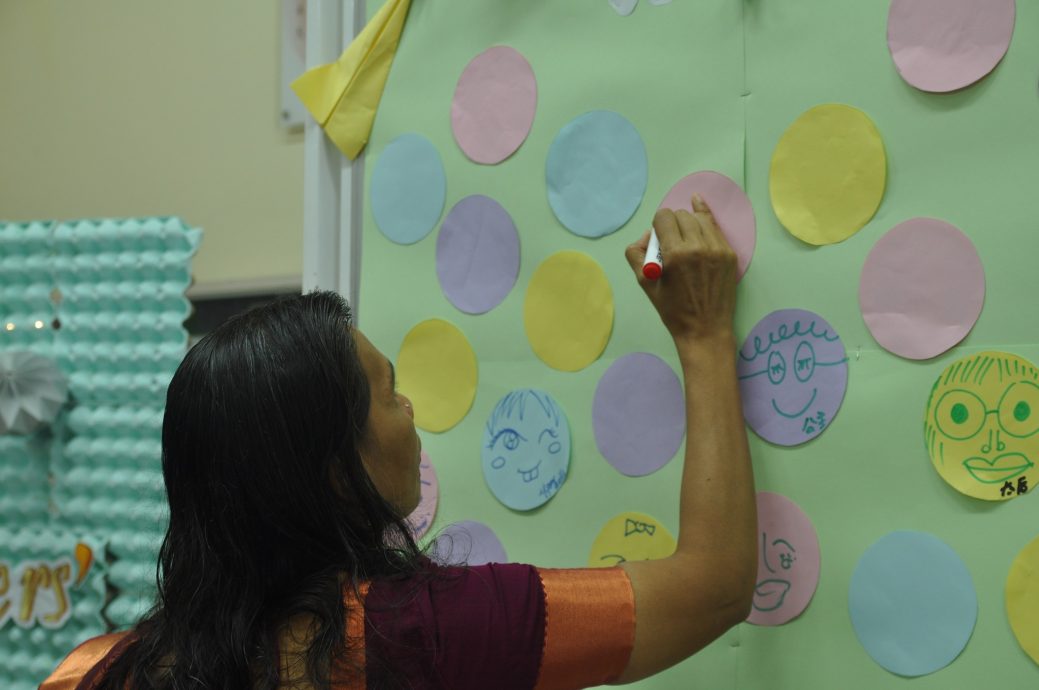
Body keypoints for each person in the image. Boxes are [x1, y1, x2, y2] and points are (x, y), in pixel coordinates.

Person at [41, 195, 756, 690]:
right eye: (388, 393)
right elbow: (713, 587)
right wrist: (702, 338)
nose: (409, 409)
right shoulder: (429, 633)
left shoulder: (95, 671)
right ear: (332, 469)